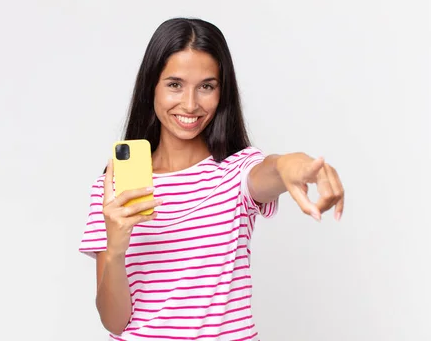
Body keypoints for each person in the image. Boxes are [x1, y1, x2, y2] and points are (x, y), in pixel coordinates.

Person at [79, 17, 345, 340]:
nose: (190, 104)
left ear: (222, 91)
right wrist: (117, 251)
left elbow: (269, 172)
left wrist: (294, 165)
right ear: (152, 86)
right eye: (174, 84)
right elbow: (114, 321)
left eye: (206, 86)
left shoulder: (236, 172)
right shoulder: (112, 189)